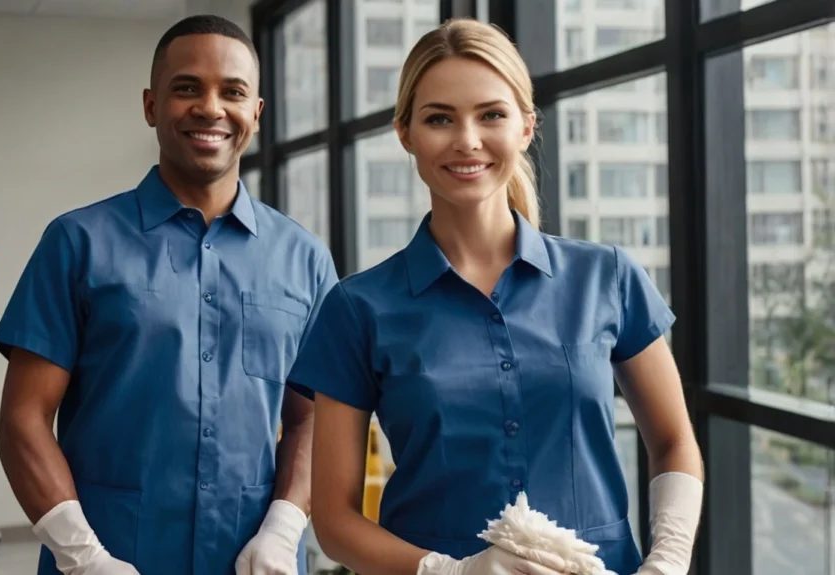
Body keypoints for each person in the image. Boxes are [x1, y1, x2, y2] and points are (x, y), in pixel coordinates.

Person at [287, 18, 704, 575]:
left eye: (492, 115)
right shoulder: (357, 308)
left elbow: (675, 441)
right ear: (405, 132)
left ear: (527, 126)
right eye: (439, 118)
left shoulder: (607, 276)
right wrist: (451, 572)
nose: (467, 140)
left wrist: (669, 560)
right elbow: (335, 522)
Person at [0, 14, 337, 575]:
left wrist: (283, 528)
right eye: (187, 88)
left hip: (252, 563)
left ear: (257, 112)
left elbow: (313, 419)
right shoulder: (77, 243)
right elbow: (24, 421)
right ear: (152, 106)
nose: (210, 108)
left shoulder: (305, 259)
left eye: (233, 91)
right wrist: (84, 558)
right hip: (108, 556)